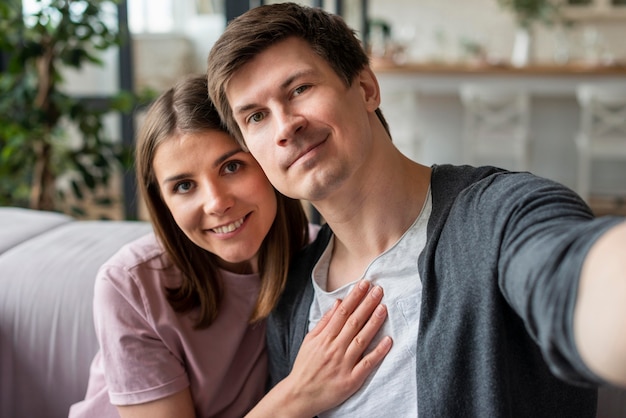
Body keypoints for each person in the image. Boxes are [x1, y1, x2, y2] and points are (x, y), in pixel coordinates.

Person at [206, 3, 626, 417]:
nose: (284, 126)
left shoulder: (499, 216)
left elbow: (575, 279)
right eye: (257, 116)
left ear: (367, 89)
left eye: (300, 89)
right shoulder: (292, 294)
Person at [68, 74, 392, 418]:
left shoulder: (321, 261)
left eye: (232, 167)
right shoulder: (130, 285)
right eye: (183, 186)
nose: (216, 202)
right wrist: (299, 393)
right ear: (162, 202)